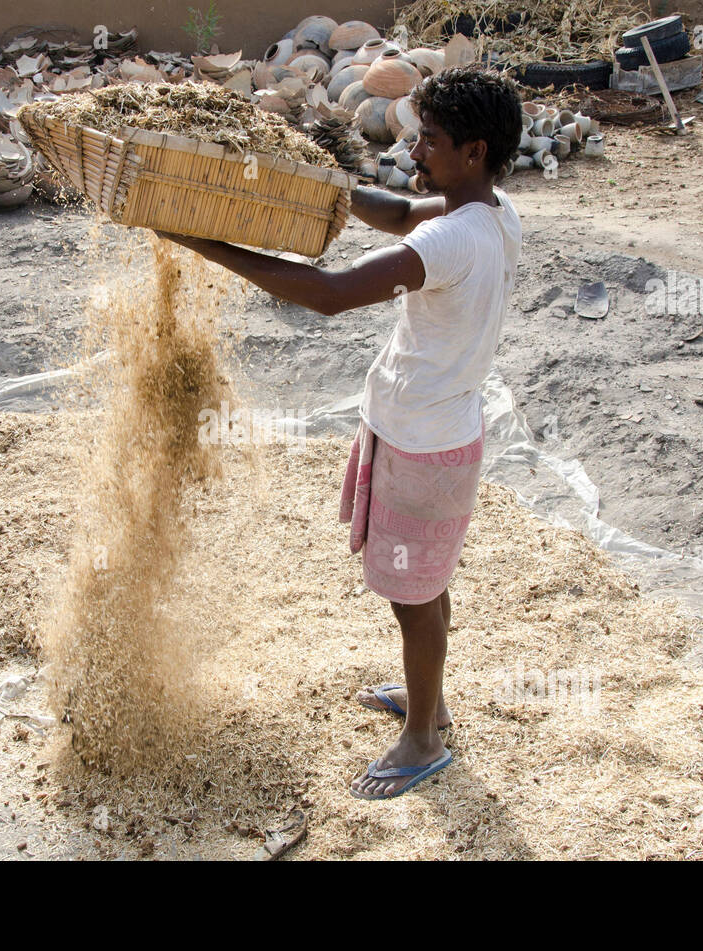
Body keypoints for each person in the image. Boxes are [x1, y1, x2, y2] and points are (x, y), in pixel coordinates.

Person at [157, 66, 523, 799]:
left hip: (424, 444)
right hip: (427, 429)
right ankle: (432, 700)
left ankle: (423, 737)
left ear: (475, 150)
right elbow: (391, 213)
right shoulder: (492, 210)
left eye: (433, 141)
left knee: (413, 597)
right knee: (427, 582)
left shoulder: (452, 240)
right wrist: (307, 180)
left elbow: (327, 296)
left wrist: (203, 243)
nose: (417, 150)